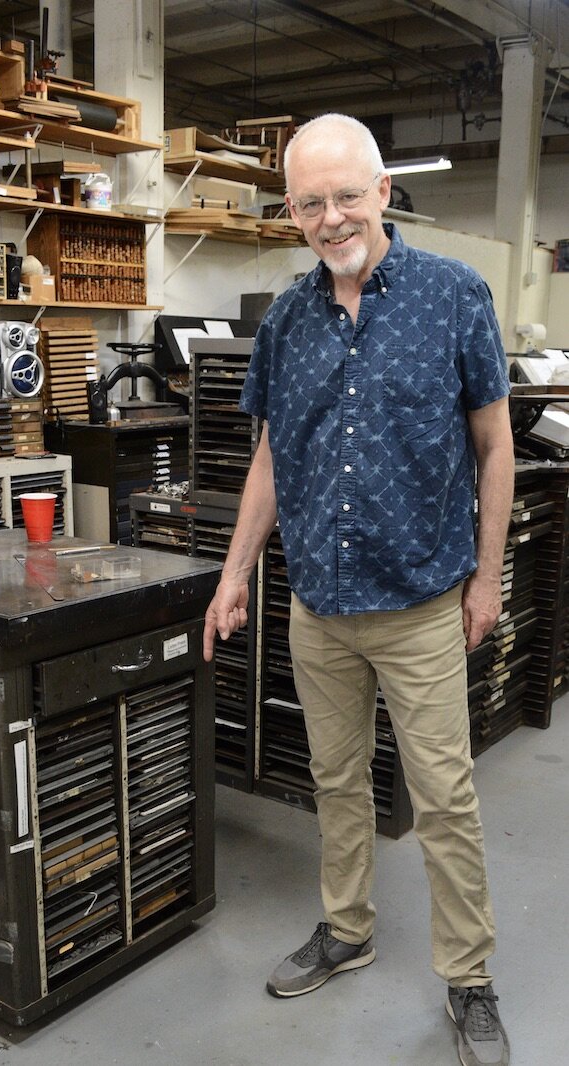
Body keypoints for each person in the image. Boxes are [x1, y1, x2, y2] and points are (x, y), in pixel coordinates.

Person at [202, 113, 514, 1066]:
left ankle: (468, 978)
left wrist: (487, 574)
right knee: (334, 781)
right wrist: (233, 573)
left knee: (443, 798)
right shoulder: (287, 320)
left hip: (421, 603)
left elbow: (494, 446)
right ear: (290, 210)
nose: (330, 216)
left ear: (382, 192)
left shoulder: (454, 295)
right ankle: (348, 929)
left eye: (346, 195)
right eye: (310, 201)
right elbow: (268, 456)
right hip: (319, 609)